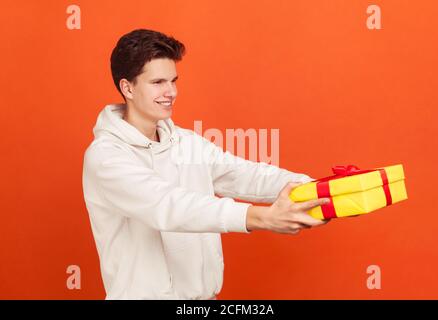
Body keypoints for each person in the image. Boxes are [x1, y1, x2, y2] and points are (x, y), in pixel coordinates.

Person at [82, 28, 330, 300]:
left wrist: (323, 191)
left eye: (174, 80)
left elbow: (245, 175)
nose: (171, 92)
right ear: (127, 87)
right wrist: (261, 218)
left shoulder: (187, 143)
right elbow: (167, 205)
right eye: (158, 82)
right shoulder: (106, 157)